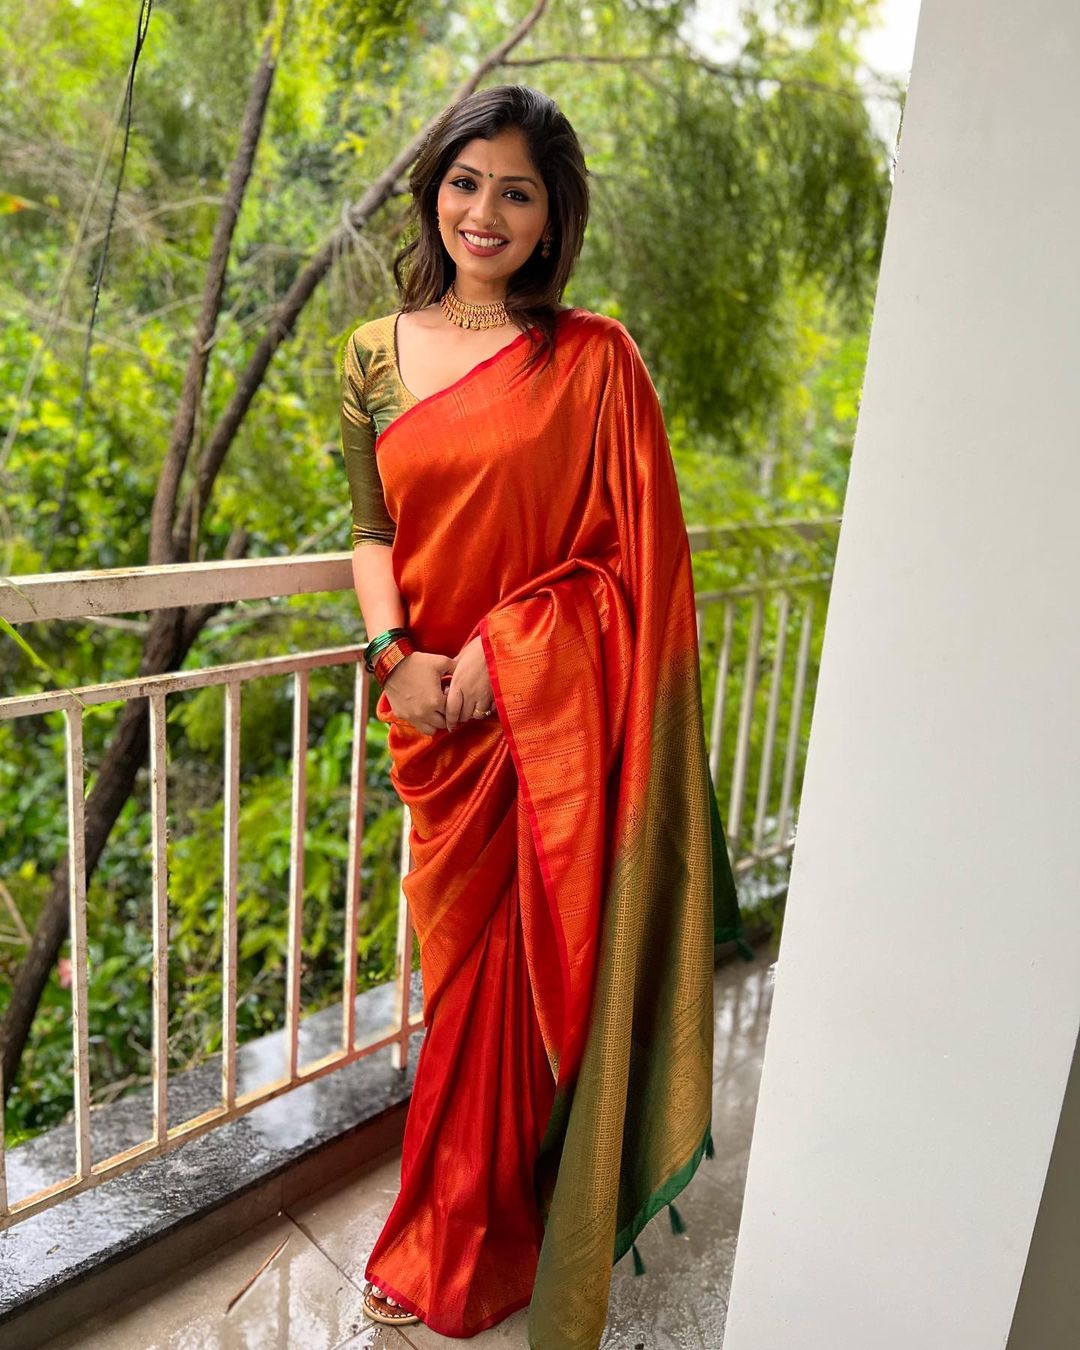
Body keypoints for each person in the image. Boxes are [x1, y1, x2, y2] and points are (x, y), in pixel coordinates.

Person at [339, 83, 748, 1350]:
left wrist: (508, 655)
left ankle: (497, 1234)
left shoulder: (596, 359)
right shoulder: (369, 350)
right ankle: (458, 1225)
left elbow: (637, 570)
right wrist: (392, 653)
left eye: (517, 190)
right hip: (432, 726)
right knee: (457, 985)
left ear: (551, 216)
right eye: (467, 182)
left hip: (539, 727)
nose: (485, 210)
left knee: (523, 995)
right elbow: (369, 530)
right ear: (434, 191)